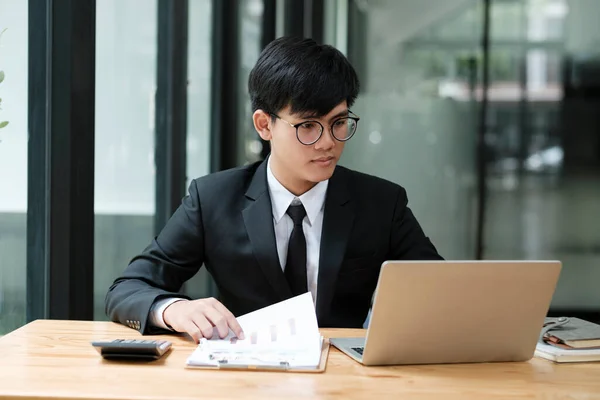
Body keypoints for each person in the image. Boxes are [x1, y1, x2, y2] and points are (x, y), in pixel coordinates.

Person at [105, 36, 443, 343]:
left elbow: (441, 289)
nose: (328, 143)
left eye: (339, 123)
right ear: (264, 125)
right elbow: (127, 289)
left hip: (343, 379)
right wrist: (173, 309)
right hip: (244, 376)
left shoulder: (382, 203)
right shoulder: (213, 199)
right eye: (309, 126)